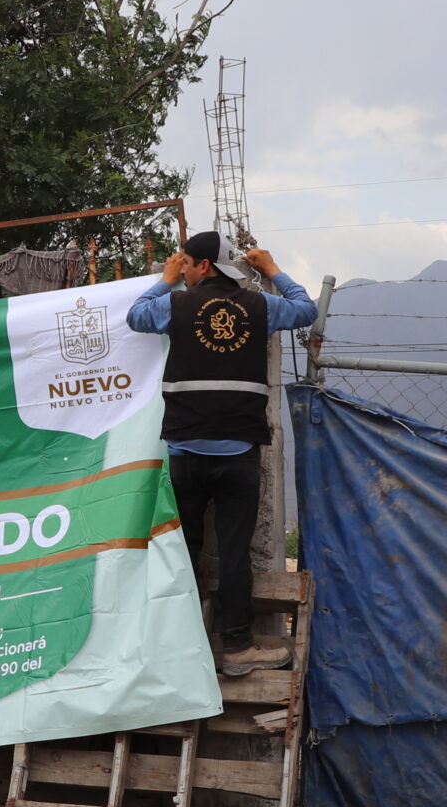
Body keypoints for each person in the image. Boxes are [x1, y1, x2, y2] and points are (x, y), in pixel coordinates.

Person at [127, 231, 318, 675]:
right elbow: (306, 310)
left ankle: (178, 651)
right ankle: (236, 651)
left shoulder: (174, 304)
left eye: (188, 263)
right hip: (239, 453)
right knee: (234, 554)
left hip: (185, 451)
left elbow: (136, 316)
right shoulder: (259, 306)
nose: (184, 269)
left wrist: (165, 279)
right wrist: (273, 270)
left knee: (182, 552)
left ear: (205, 266)